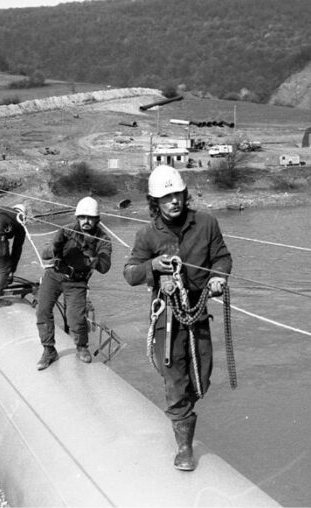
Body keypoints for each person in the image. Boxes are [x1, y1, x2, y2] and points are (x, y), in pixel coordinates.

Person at [123, 165, 232, 471]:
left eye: (177, 195)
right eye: (165, 197)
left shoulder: (207, 224)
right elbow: (130, 273)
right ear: (154, 202)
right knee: (174, 378)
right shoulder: (146, 235)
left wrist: (218, 278)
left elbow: (222, 257)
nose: (173, 201)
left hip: (197, 312)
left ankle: (183, 408)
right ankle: (184, 447)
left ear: (185, 195)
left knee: (201, 379)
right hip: (166, 318)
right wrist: (154, 266)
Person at [35, 197, 112, 370]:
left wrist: (95, 259)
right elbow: (45, 254)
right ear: (77, 217)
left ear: (97, 219)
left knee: (75, 318)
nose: (86, 221)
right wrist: (55, 246)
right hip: (54, 275)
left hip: (77, 282)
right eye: (83, 217)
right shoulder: (66, 231)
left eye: (90, 218)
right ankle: (48, 350)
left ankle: (82, 347)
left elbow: (106, 266)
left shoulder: (103, 239)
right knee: (43, 310)